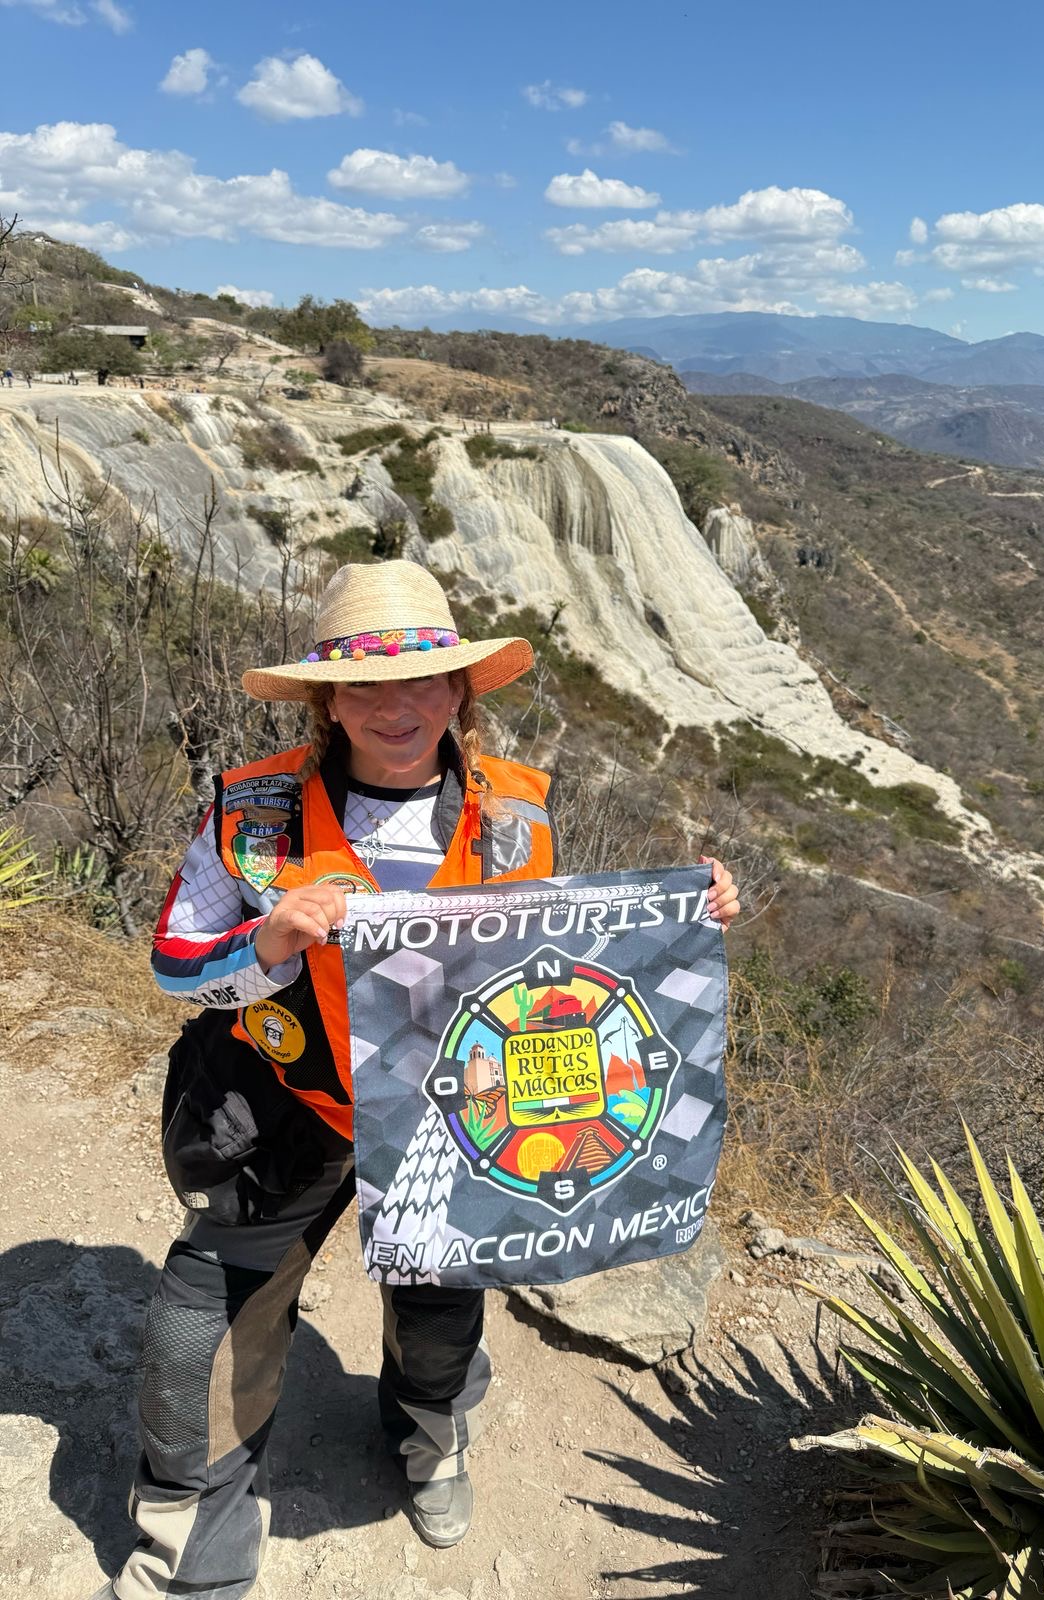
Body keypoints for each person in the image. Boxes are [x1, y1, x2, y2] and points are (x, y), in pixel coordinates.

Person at [93, 559, 739, 1600]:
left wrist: (681, 914)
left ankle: (427, 1432)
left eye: (426, 682)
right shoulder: (254, 811)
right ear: (326, 702)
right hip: (282, 1103)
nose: (396, 708)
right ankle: (190, 1533)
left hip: (456, 1113)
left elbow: (560, 968)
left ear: (460, 694)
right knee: (206, 1310)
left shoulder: (519, 818)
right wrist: (265, 941)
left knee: (444, 1299)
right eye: (363, 686)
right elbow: (175, 955)